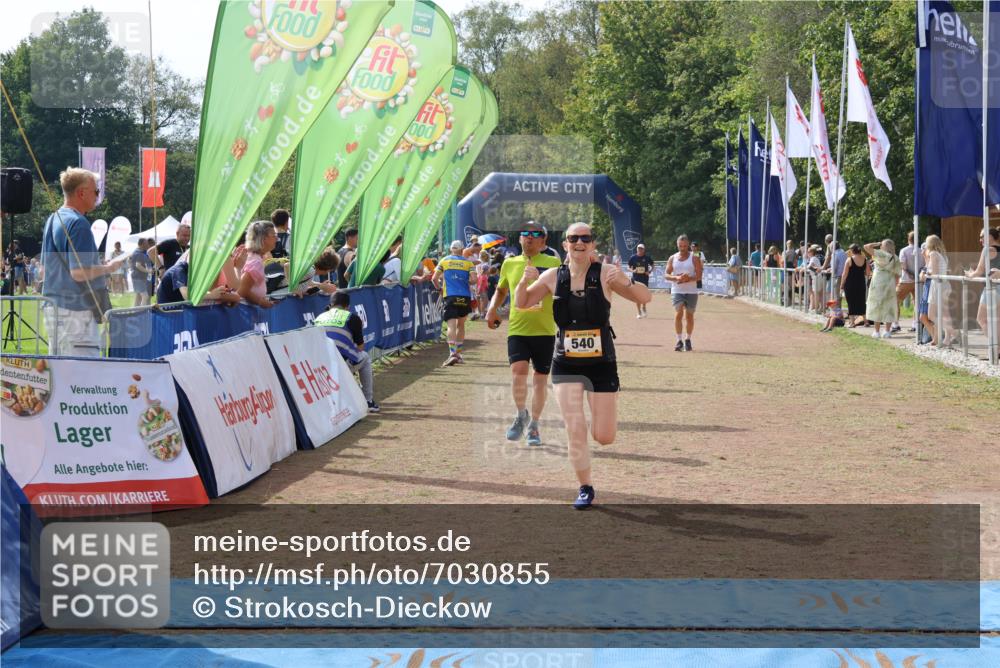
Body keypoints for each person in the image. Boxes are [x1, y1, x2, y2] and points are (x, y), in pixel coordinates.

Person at [514, 222, 650, 509]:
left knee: (604, 436)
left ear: (592, 244)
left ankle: (601, 415)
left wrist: (624, 280)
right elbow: (523, 303)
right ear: (565, 244)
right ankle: (585, 487)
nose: (579, 242)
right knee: (574, 426)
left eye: (585, 238)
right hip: (566, 362)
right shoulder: (552, 276)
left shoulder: (605, 273)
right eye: (573, 238)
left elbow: (644, 297)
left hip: (602, 363)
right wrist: (524, 281)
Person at [485, 222, 562, 447]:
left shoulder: (553, 263)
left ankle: (534, 425)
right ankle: (521, 414)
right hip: (518, 329)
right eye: (525, 234)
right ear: (519, 239)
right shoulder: (509, 263)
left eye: (535, 234)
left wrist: (539, 277)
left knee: (540, 380)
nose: (529, 237)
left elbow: (561, 291)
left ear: (543, 241)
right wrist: (491, 309)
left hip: (544, 330)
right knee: (518, 373)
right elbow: (501, 290)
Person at [40, 167, 126, 356]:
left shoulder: (53, 219)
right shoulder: (79, 223)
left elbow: (43, 269)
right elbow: (79, 273)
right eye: (96, 191)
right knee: (84, 370)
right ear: (81, 193)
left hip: (54, 307)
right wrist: (109, 267)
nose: (98, 196)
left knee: (60, 369)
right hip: (75, 311)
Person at [315, 290, 380, 412]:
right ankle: (368, 400)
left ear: (330, 305)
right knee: (365, 357)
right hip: (338, 365)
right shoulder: (352, 317)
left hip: (318, 367)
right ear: (347, 307)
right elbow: (360, 347)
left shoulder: (319, 317)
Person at [433, 240, 476, 366]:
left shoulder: (444, 261)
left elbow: (434, 278)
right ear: (462, 249)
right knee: (461, 326)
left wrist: (439, 289)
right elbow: (474, 280)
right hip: (464, 296)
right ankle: (459, 354)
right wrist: (466, 281)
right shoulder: (468, 263)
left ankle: (452, 353)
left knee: (451, 326)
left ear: (451, 249)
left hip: (450, 296)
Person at [155, 250, 240, 305]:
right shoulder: (179, 269)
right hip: (167, 314)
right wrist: (212, 295)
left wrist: (225, 297)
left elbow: (205, 294)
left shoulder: (195, 275)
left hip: (179, 312)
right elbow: (186, 295)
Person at [664, 234, 703, 351]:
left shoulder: (694, 257)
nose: (682, 248)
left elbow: (699, 275)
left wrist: (688, 278)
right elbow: (666, 275)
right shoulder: (672, 258)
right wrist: (676, 278)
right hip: (677, 290)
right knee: (679, 312)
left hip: (691, 291)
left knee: (689, 316)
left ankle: (688, 339)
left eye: (685, 246)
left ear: (688, 245)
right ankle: (679, 341)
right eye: (680, 246)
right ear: (677, 245)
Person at [964, 227, 1000, 350]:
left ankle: (996, 346)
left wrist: (969, 274)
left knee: (981, 319)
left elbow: (979, 272)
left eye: (982, 236)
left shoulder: (987, 250)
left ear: (990, 236)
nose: (980, 240)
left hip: (992, 289)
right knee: (997, 321)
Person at [864, 239, 902, 338]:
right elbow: (898, 274)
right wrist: (896, 285)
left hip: (878, 282)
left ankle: (876, 331)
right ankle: (887, 331)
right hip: (890, 283)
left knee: (877, 306)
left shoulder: (880, 254)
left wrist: (877, 243)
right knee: (889, 306)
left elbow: (866, 247)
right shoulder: (895, 258)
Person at [921, 235, 954, 346]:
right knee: (944, 313)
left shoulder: (933, 254)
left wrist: (926, 274)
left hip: (938, 285)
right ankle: (946, 338)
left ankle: (952, 333)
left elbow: (934, 273)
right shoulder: (942, 255)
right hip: (943, 284)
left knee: (932, 315)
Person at [238, 220, 278, 308]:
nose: (277, 238)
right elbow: (242, 291)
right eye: (274, 235)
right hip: (247, 310)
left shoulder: (254, 257)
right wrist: (260, 302)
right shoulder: (256, 262)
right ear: (263, 238)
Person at [894, 231, 924, 333]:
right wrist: (916, 274)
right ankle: (915, 324)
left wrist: (911, 274)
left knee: (895, 300)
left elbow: (903, 265)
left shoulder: (904, 250)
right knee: (917, 303)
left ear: (908, 239)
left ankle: (895, 324)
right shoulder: (921, 251)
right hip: (919, 280)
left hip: (906, 280)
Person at [841, 243, 870, 327]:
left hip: (850, 283)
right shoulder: (865, 259)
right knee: (861, 302)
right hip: (861, 283)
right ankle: (866, 321)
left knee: (851, 302)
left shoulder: (849, 260)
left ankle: (852, 322)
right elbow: (868, 273)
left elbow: (844, 274)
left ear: (852, 251)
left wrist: (842, 285)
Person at [627, 243, 654, 318]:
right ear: (637, 249)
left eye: (641, 248)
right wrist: (633, 270)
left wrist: (649, 271)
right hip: (636, 279)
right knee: (637, 296)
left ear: (644, 250)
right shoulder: (633, 257)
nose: (640, 250)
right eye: (639, 248)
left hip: (645, 279)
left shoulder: (647, 257)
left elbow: (652, 265)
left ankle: (644, 307)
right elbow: (628, 267)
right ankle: (639, 312)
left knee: (644, 295)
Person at [129, 239, 153, 306]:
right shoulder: (139, 253)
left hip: (137, 276)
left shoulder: (137, 251)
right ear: (142, 244)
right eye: (146, 243)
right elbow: (138, 265)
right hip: (138, 277)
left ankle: (134, 310)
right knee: (145, 296)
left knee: (138, 296)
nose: (148, 245)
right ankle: (142, 311)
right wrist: (149, 271)